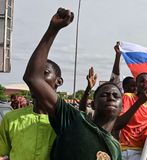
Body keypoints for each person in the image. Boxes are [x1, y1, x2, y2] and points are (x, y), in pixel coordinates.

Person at [22, 8, 121, 160]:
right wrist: (53, 29)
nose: (111, 98)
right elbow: (33, 78)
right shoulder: (74, 120)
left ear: (122, 107)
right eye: (104, 94)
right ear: (93, 104)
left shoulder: (115, 148)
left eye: (116, 95)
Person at [0, 60, 58, 160]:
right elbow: (3, 154)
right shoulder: (11, 119)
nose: (36, 78)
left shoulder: (67, 122)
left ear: (59, 81)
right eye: (34, 74)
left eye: (44, 72)